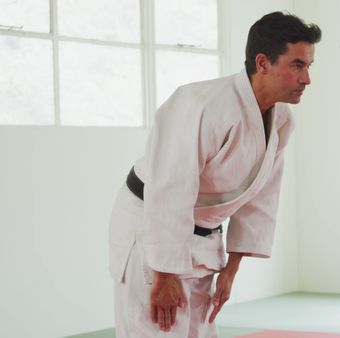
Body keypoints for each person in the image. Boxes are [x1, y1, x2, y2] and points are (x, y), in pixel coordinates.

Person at [108, 11, 321, 337]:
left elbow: (260, 198)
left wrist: (231, 269)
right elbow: (169, 188)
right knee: (157, 329)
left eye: (308, 66)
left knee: (199, 330)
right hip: (152, 226)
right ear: (262, 63)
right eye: (297, 65)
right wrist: (163, 274)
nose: (307, 79)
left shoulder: (281, 121)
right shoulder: (201, 104)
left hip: (206, 233)